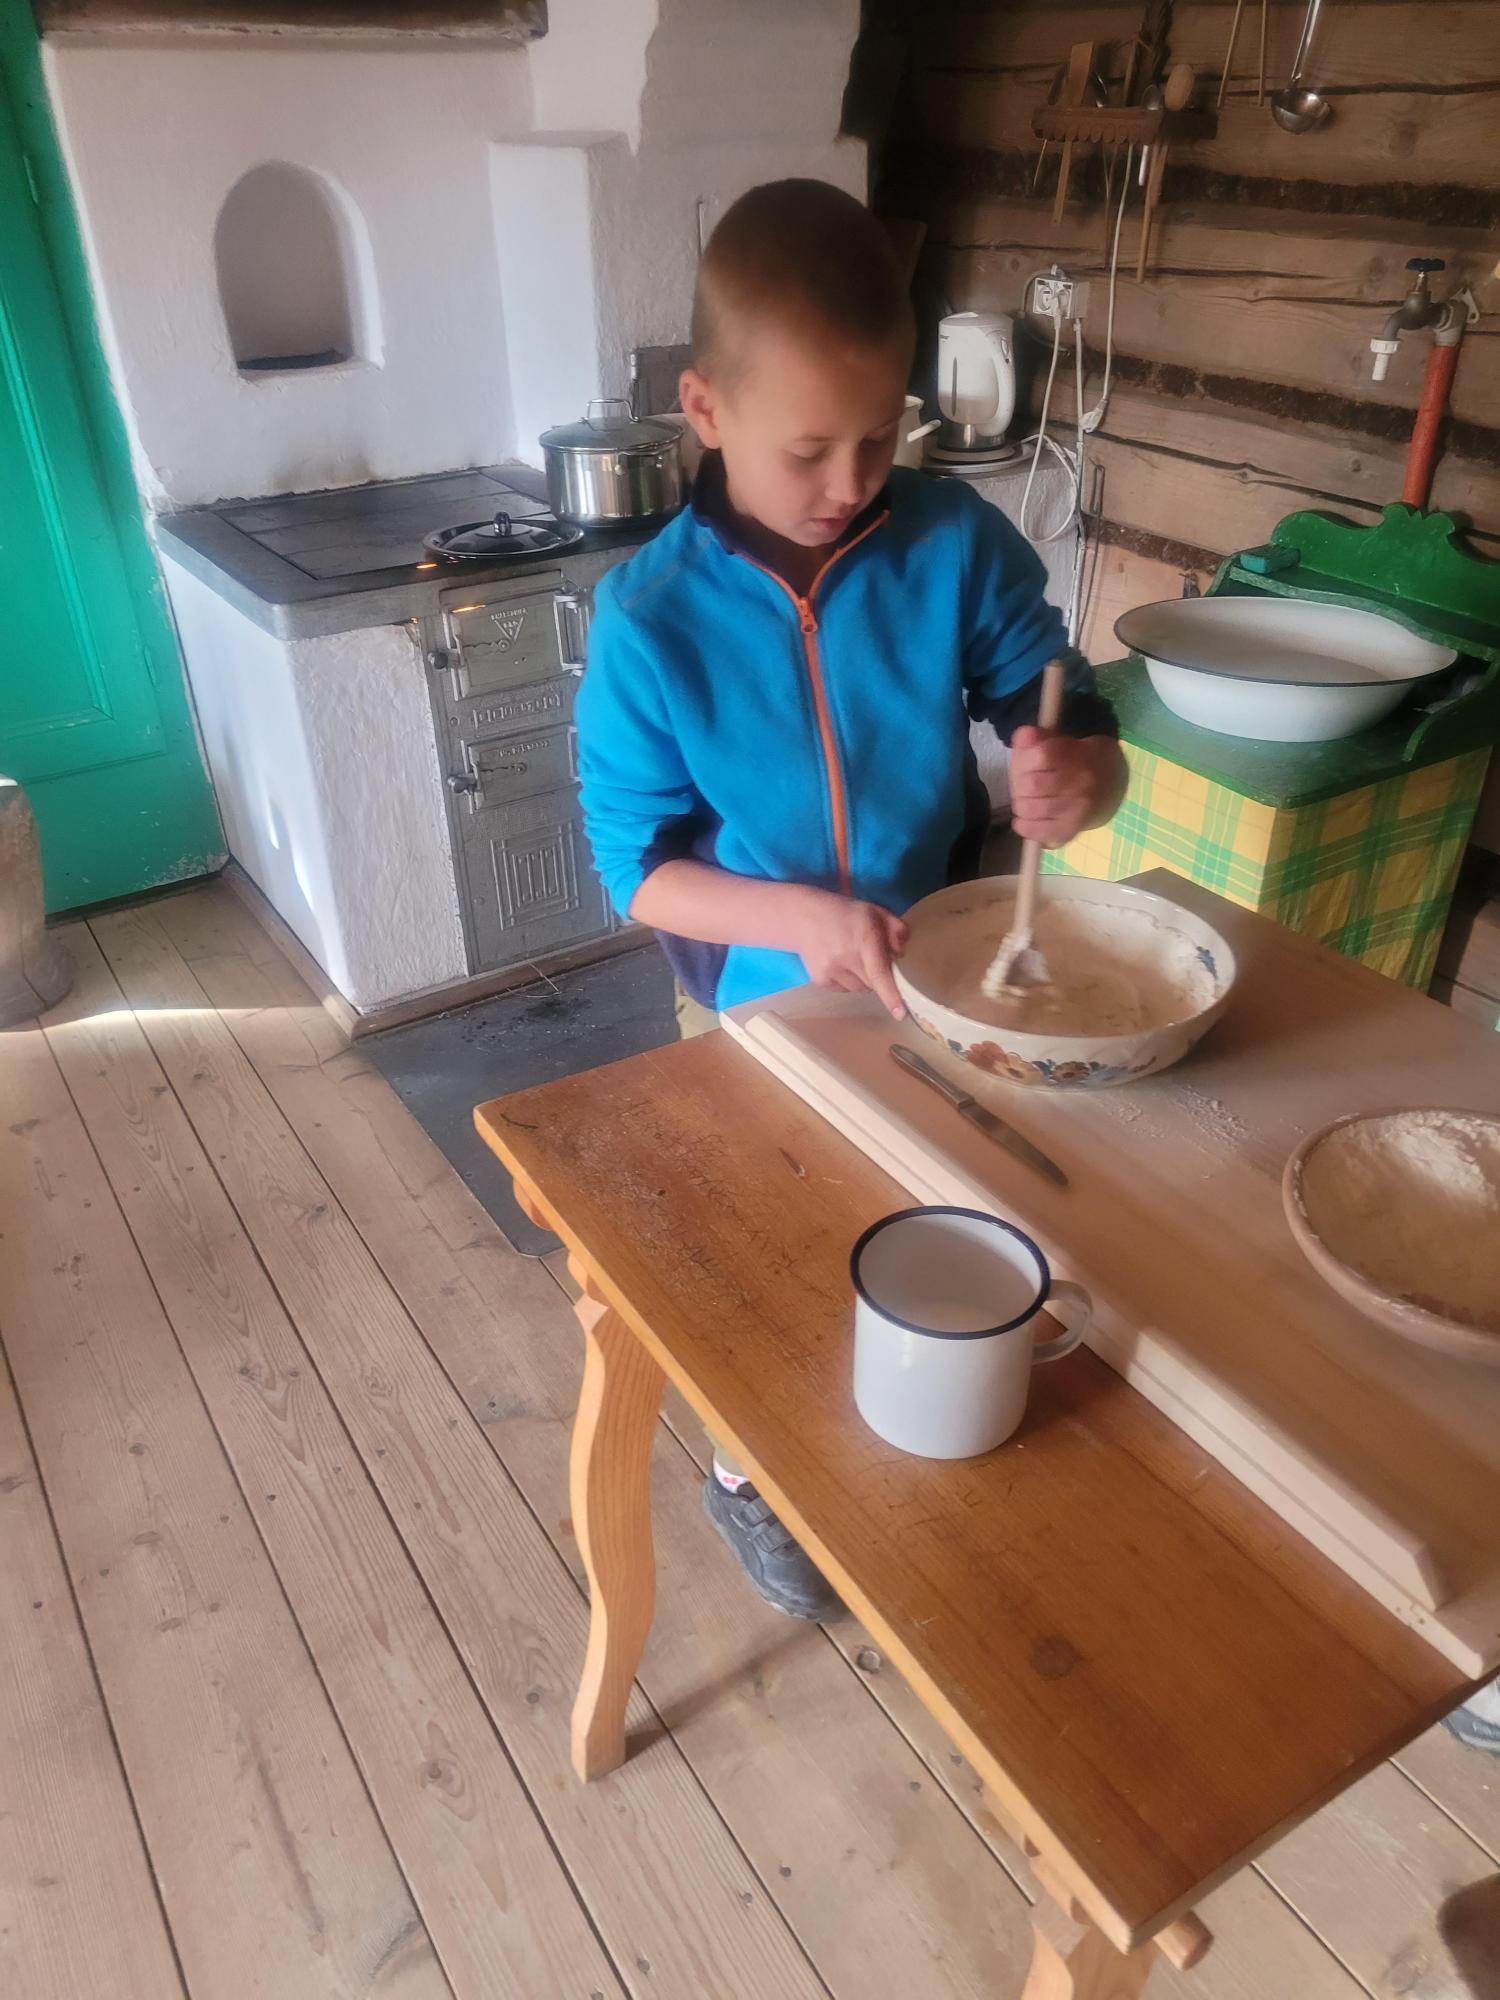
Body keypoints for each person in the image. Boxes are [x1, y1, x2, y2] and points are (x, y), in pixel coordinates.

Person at [577, 179, 1127, 1620]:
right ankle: (748, 1473)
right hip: (756, 1008)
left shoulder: (951, 543)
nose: (850, 479)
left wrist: (1077, 775)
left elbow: (1064, 712)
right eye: (810, 448)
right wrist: (804, 923)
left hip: (943, 973)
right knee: (768, 1266)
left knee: (950, 1208)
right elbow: (636, 874)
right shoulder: (649, 620)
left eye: (881, 438)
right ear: (705, 411)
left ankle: (924, 1393)